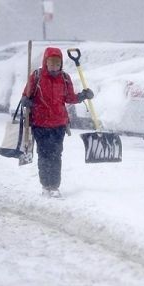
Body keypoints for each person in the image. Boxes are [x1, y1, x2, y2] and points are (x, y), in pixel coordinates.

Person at [20, 47, 94, 198]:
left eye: (57, 63)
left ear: (61, 64)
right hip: (40, 122)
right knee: (43, 154)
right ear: (45, 62)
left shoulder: (65, 78)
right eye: (51, 62)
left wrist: (83, 96)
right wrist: (26, 100)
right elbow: (25, 95)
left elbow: (70, 98)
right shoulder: (37, 76)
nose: (54, 66)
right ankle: (45, 185)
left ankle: (54, 186)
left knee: (56, 154)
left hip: (59, 124)